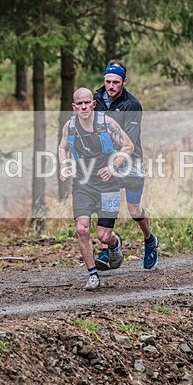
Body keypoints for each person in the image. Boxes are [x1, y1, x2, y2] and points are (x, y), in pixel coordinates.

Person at [58, 88, 134, 290]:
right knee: (82, 229)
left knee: (103, 236)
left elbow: (128, 147)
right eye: (79, 104)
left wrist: (112, 167)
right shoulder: (70, 126)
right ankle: (93, 275)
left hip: (108, 184)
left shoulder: (107, 123)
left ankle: (114, 244)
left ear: (93, 104)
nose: (84, 107)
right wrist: (65, 166)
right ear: (74, 107)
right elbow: (62, 148)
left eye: (87, 103)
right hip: (82, 184)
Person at [92, 60, 159, 270]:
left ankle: (149, 240)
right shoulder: (95, 100)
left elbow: (127, 142)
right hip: (105, 162)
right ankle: (107, 248)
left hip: (130, 161)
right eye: (108, 81)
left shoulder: (132, 105)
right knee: (107, 204)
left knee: (133, 209)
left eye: (116, 82)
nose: (111, 86)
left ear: (124, 82)